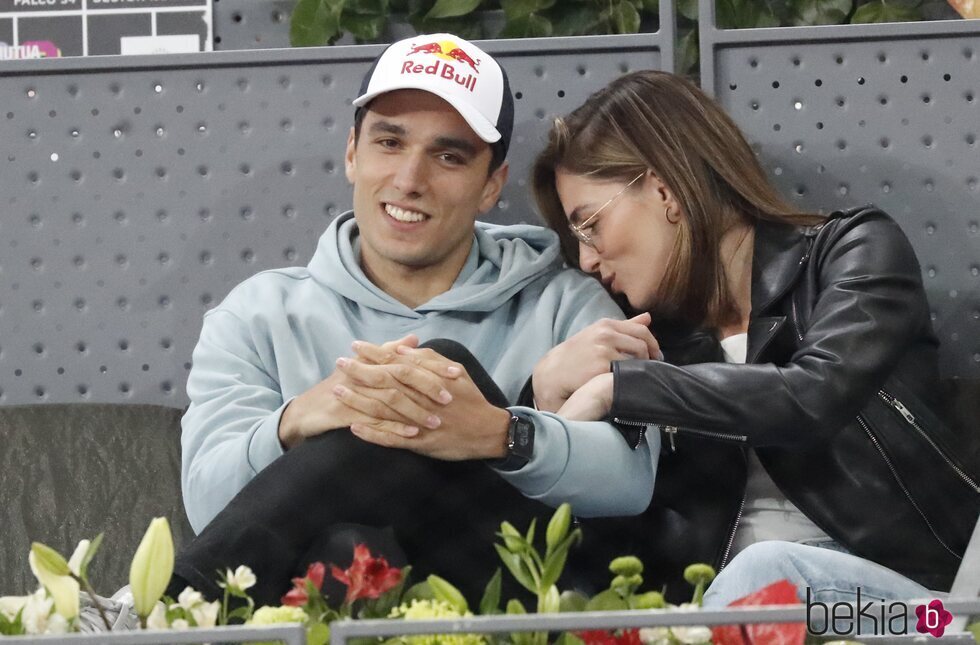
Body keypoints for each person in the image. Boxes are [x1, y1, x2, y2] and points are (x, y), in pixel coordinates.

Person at [172, 35, 661, 606]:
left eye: (448, 156)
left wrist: (501, 433)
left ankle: (161, 609)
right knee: (347, 548)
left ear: (491, 186)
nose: (409, 178)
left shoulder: (567, 306)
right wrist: (303, 419)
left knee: (439, 367)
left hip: (506, 592)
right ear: (352, 152)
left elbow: (632, 482)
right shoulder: (255, 314)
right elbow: (209, 507)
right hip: (316, 595)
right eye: (389, 141)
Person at [530, 70, 980, 612]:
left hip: (921, 619)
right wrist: (545, 404)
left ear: (663, 189)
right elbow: (606, 541)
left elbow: (813, 396)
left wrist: (617, 390)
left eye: (589, 224)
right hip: (726, 613)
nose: (585, 259)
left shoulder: (853, 253)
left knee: (770, 568)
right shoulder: (649, 340)